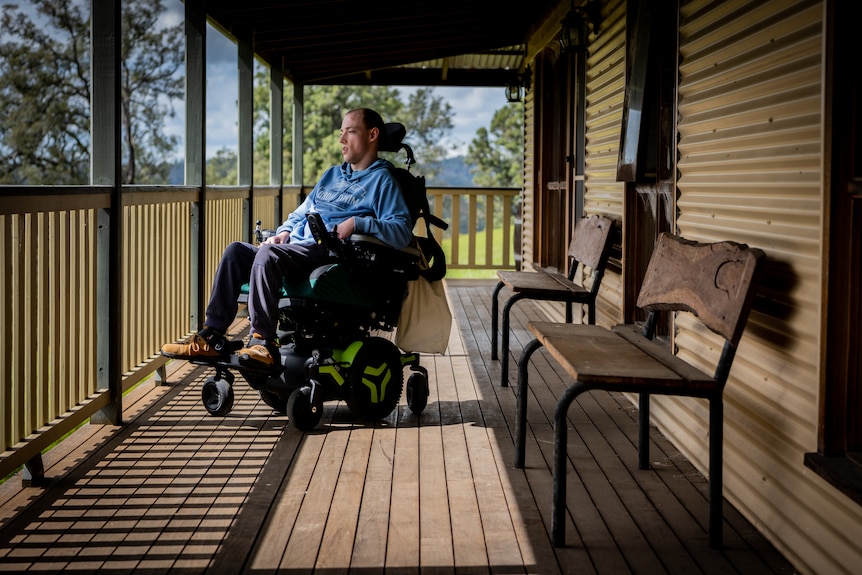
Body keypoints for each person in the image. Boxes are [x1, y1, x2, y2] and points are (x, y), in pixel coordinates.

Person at [161, 108, 413, 370]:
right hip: (298, 246)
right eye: (341, 133)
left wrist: (358, 222)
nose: (342, 140)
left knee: (267, 256)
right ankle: (212, 336)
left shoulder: (383, 181)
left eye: (350, 132)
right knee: (235, 251)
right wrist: (284, 232)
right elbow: (301, 212)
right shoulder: (331, 176)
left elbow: (401, 231)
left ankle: (262, 341)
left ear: (373, 135)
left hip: (333, 253)